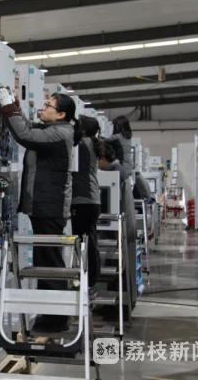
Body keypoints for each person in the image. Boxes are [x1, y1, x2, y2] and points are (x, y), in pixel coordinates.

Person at [0, 87, 78, 332]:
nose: (43, 108)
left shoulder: (60, 133)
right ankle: (50, 314)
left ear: (61, 114)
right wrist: (14, 107)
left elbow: (25, 135)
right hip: (44, 205)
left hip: (50, 207)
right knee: (46, 260)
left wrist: (8, 107)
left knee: (50, 261)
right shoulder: (53, 129)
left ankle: (57, 318)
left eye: (48, 105)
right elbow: (28, 127)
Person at [98, 140, 138, 308]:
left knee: (117, 268)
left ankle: (117, 306)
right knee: (120, 267)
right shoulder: (121, 170)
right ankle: (118, 304)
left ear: (103, 158)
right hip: (125, 225)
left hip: (119, 228)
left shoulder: (114, 173)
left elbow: (108, 203)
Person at [71, 116, 101, 288]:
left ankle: (88, 280)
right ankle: (91, 279)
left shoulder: (82, 144)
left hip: (83, 199)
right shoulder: (91, 143)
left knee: (84, 243)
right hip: (91, 200)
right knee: (89, 241)